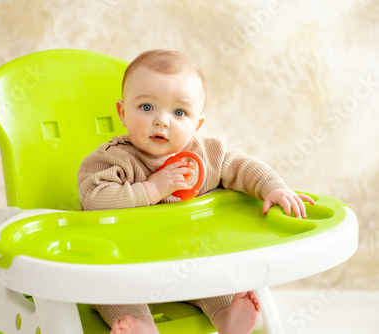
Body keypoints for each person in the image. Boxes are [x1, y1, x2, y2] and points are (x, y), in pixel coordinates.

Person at [77, 49, 315, 334]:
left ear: (197, 124)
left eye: (179, 113)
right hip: (127, 266)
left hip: (185, 264)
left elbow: (242, 166)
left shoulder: (204, 155)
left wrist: (273, 188)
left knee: (215, 282)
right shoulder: (113, 160)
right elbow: (94, 199)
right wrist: (153, 188)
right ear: (123, 112)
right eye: (147, 107)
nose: (162, 121)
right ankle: (141, 326)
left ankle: (228, 316)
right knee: (108, 287)